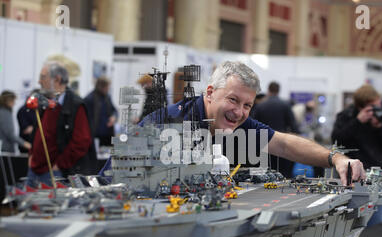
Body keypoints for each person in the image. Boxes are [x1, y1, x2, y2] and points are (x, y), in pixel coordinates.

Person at [101, 61, 365, 187]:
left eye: (247, 105)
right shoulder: (165, 122)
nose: (239, 112)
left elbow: (284, 144)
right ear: (209, 93)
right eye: (233, 100)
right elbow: (112, 177)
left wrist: (336, 159)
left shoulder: (238, 123)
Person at [29, 62, 95, 237]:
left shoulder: (75, 104)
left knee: (55, 223)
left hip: (55, 173)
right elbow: (43, 133)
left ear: (57, 80)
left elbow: (81, 141)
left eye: (43, 76)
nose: (39, 81)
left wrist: (59, 165)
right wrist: (33, 157)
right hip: (38, 170)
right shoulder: (48, 103)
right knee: (41, 222)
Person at [331, 84, 382, 226]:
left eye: (378, 105)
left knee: (377, 221)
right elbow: (337, 140)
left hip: (377, 174)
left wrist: (380, 128)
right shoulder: (346, 116)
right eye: (373, 107)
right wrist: (358, 122)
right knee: (351, 220)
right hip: (353, 174)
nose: (376, 110)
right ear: (361, 106)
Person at [252, 82, 299, 177]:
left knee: (264, 175)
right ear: (278, 90)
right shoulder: (285, 105)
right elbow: (294, 127)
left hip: (264, 145)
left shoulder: (260, 106)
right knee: (284, 174)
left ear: (268, 90)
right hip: (281, 144)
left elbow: (253, 127)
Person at [84, 77, 118, 147]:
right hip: (94, 136)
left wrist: (114, 117)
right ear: (101, 87)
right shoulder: (89, 99)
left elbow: (114, 110)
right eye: (107, 87)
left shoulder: (107, 97)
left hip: (108, 135)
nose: (108, 89)